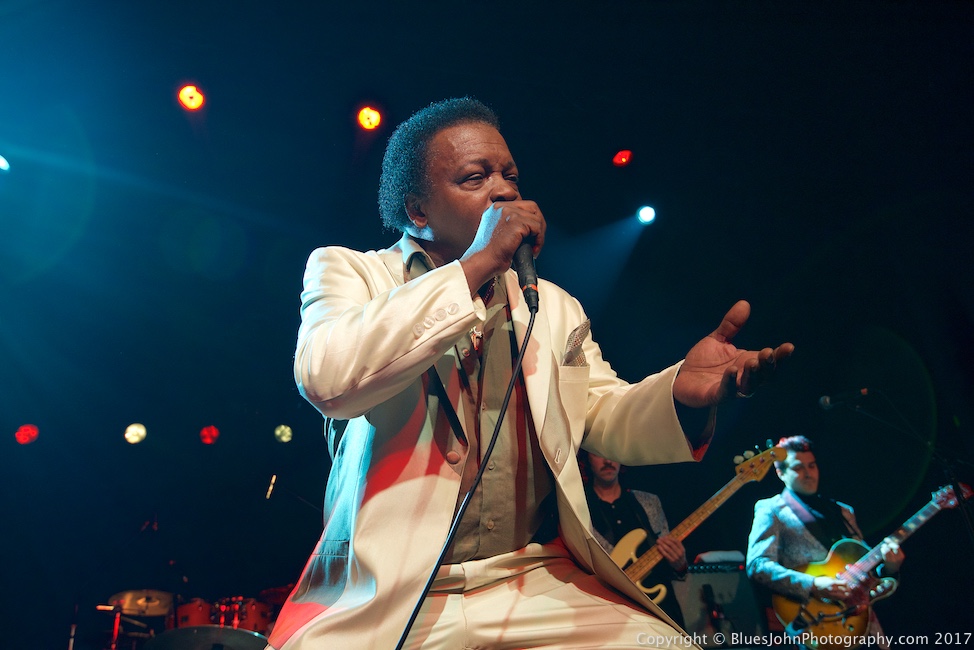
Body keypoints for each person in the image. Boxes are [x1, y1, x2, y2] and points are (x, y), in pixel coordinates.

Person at [268, 97, 793, 649]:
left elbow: (601, 414)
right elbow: (328, 378)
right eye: (475, 177)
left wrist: (680, 395)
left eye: (509, 175)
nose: (504, 190)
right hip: (392, 593)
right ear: (417, 209)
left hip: (527, 577)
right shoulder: (351, 271)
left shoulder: (552, 305)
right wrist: (475, 266)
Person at [745, 435, 904, 648]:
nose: (808, 473)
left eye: (812, 465)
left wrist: (889, 568)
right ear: (780, 472)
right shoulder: (770, 509)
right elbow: (757, 566)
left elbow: (865, 569)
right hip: (815, 622)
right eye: (799, 467)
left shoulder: (842, 511)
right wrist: (814, 584)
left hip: (862, 625)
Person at [582, 451, 688, 628]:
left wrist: (680, 564)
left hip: (662, 610)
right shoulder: (581, 509)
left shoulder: (649, 501)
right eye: (599, 453)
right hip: (616, 616)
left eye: (612, 452)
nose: (608, 460)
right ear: (587, 460)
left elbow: (672, 566)